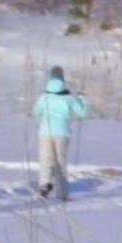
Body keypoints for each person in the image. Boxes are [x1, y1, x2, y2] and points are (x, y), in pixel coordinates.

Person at [33, 65, 89, 201]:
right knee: (60, 162)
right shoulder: (68, 98)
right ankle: (62, 193)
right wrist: (83, 100)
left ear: (50, 79)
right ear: (63, 80)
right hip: (62, 133)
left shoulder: (43, 97)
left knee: (46, 160)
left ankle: (45, 185)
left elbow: (36, 113)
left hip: (45, 132)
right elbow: (83, 113)